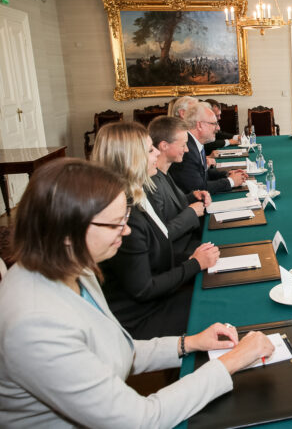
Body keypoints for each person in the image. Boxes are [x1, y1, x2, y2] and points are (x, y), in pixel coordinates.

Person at [0, 158, 274, 428]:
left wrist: (188, 343)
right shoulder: (35, 324)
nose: (127, 230)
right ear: (67, 231)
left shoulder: (73, 265)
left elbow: (118, 349)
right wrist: (232, 362)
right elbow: (140, 419)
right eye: (116, 223)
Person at [92, 122, 219, 339]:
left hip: (157, 297)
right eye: (150, 150)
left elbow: (158, 249)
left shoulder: (140, 192)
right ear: (132, 158)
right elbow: (144, 289)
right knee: (214, 306)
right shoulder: (126, 214)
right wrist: (194, 263)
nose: (156, 154)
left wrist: (195, 258)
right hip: (139, 316)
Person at [148, 116, 211, 259]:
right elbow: (160, 234)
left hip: (188, 241)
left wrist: (192, 196)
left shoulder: (164, 171)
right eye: (183, 145)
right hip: (177, 254)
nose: (187, 150)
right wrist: (191, 212)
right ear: (164, 146)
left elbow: (171, 206)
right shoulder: (152, 182)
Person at [169, 102, 247, 195]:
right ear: (200, 125)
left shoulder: (195, 143)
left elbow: (203, 174)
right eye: (214, 123)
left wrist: (227, 174)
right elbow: (197, 188)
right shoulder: (186, 150)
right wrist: (231, 182)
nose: (218, 128)